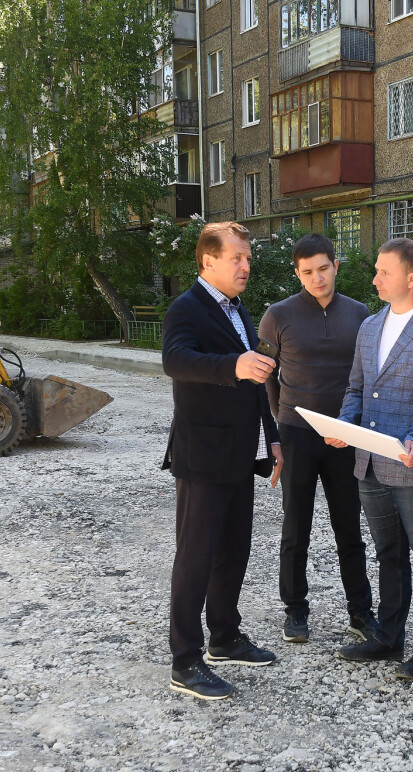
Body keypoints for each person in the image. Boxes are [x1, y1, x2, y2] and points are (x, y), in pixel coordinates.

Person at [329, 238, 413, 680]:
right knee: (388, 554)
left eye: (383, 272)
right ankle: (388, 638)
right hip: (369, 464)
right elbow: (356, 388)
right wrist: (343, 425)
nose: (374, 279)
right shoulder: (370, 326)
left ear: (412, 278)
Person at [161, 221, 284, 701]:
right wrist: (233, 365)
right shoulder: (186, 307)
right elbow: (175, 360)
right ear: (208, 260)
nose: (246, 266)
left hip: (241, 452)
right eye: (237, 258)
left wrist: (272, 438)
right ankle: (185, 660)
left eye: (248, 258)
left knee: (234, 551)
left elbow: (255, 381)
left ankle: (225, 637)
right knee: (196, 557)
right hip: (203, 456)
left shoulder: (237, 308)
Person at [258, 234, 377, 644]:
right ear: (298, 273)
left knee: (350, 529)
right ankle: (295, 610)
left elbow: (367, 374)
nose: (317, 278)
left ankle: (360, 612)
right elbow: (266, 376)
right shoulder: (277, 315)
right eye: (307, 271)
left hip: (345, 434)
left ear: (335, 266)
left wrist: (357, 423)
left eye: (323, 268)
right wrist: (279, 422)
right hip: (297, 434)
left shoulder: (359, 313)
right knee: (296, 527)